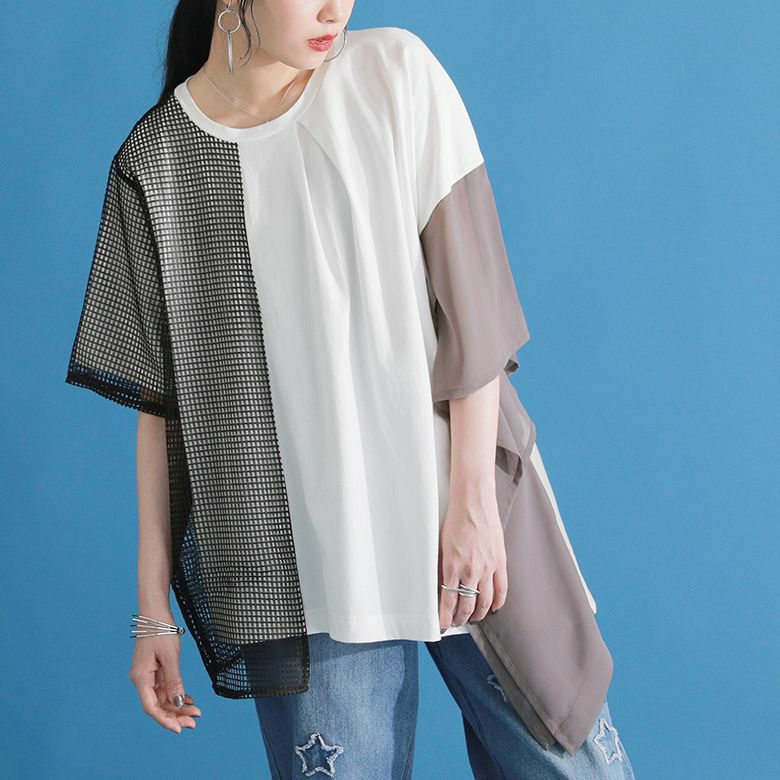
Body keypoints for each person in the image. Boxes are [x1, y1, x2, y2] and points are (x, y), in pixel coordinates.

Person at [65, 1, 637, 777]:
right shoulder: (160, 160)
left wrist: (472, 504)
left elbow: (476, 310)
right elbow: (165, 414)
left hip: (464, 515)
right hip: (308, 568)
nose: (336, 7)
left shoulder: (392, 73)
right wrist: (151, 613)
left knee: (572, 759)